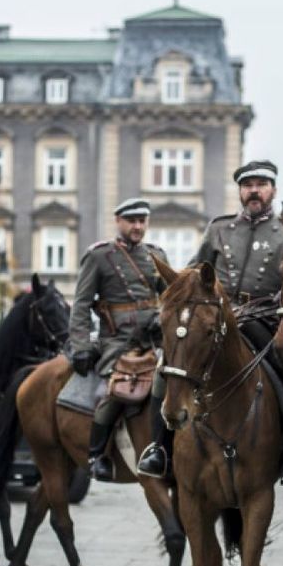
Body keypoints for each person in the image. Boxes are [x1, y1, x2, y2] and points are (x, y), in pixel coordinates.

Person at [137, 160, 283, 484]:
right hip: (215, 317)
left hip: (263, 319)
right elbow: (193, 271)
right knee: (168, 367)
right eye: (248, 185)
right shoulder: (219, 229)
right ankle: (159, 450)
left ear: (273, 190)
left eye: (261, 184)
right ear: (241, 192)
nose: (254, 191)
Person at [70, 198, 169, 481]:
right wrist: (80, 345)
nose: (137, 227)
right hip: (118, 342)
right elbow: (81, 304)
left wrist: (161, 315)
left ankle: (165, 451)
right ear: (119, 221)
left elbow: (170, 296)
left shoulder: (156, 255)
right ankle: (96, 454)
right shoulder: (100, 256)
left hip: (155, 340)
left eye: (142, 221)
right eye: (132, 221)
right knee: (115, 392)